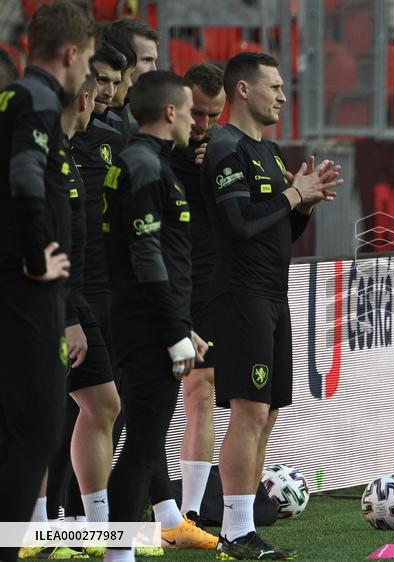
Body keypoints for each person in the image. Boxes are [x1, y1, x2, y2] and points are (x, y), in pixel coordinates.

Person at [203, 52, 341, 560]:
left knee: (269, 412)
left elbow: (279, 228)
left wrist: (301, 203)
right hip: (239, 294)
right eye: (275, 87)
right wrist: (290, 195)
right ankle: (235, 531)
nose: (283, 96)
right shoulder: (223, 146)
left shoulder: (272, 151)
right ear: (242, 90)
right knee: (249, 409)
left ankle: (244, 525)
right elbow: (240, 223)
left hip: (272, 294)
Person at [102, 70, 213, 562]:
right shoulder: (144, 166)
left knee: (143, 445)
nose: (196, 121)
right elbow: (146, 258)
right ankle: (118, 554)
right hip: (146, 329)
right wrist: (174, 334)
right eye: (190, 110)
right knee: (142, 447)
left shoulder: (145, 162)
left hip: (146, 321)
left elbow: (147, 258)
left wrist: (180, 324)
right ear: (170, 112)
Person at [0, 4, 93, 560]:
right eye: (86, 60)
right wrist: (36, 257)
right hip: (26, 290)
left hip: (15, 288)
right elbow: (24, 175)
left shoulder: (11, 96)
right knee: (36, 429)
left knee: (17, 429)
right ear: (69, 54)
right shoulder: (37, 98)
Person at [44, 41, 129, 532]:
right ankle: (36, 525)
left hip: (86, 299)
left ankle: (92, 523)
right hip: (52, 305)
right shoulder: (41, 153)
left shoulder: (101, 143)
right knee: (40, 417)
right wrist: (69, 313)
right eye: (99, 85)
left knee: (104, 403)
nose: (107, 95)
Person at [166, 62, 226, 529]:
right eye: (197, 114)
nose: (203, 126)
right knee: (125, 403)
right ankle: (88, 512)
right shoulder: (152, 153)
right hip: (156, 288)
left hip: (206, 287)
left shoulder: (227, 155)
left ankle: (189, 512)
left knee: (201, 391)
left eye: (213, 116)